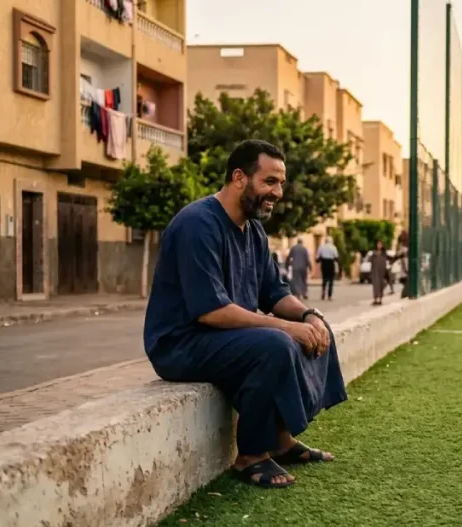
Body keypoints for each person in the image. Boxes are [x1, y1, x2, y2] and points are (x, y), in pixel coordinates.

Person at [143, 140, 347, 489]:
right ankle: (250, 456)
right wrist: (286, 328)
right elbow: (210, 311)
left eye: (280, 183)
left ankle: (280, 440)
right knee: (276, 344)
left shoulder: (253, 229)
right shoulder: (197, 224)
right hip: (181, 344)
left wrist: (309, 315)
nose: (277, 192)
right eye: (270, 182)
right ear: (239, 177)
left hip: (221, 337)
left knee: (310, 326)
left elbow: (274, 292)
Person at [369, 239, 391, 305]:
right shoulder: (374, 253)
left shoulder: (384, 253)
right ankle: (375, 299)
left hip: (382, 272)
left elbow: (386, 262)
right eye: (378, 244)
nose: (379, 245)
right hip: (375, 272)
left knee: (381, 285)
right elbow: (371, 262)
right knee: (375, 286)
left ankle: (380, 299)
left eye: (380, 244)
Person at [316, 237, 338, 301]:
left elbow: (318, 257)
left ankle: (323, 294)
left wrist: (318, 260)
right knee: (331, 280)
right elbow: (336, 257)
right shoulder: (333, 247)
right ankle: (329, 295)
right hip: (331, 263)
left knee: (324, 279)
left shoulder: (321, 247)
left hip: (324, 264)